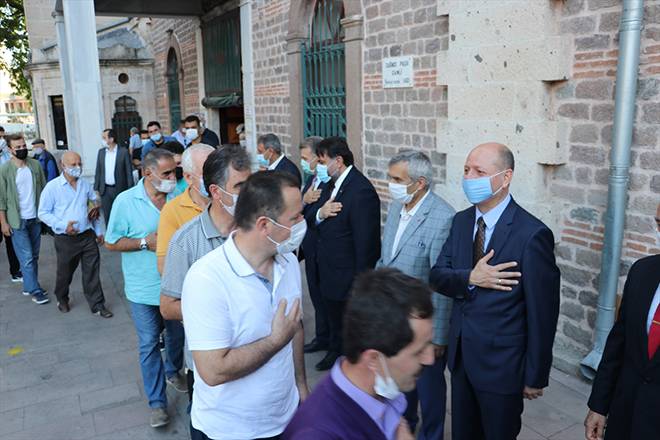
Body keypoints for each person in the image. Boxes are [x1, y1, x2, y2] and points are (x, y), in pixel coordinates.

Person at [429, 142, 560, 440]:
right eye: (466, 170)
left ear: (506, 177)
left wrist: (535, 374)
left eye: (479, 171)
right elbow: (437, 276)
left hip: (503, 367)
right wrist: (471, 278)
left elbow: (543, 312)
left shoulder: (532, 234)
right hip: (462, 358)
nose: (469, 177)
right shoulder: (461, 222)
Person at [181, 171, 309, 440]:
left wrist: (300, 386)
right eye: (294, 217)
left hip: (284, 419)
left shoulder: (288, 264)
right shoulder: (207, 278)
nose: (302, 223)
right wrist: (275, 340)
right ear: (265, 225)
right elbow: (213, 370)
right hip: (230, 430)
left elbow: (294, 328)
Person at [283, 268, 435, 440]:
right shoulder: (318, 434)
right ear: (374, 359)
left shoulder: (382, 390)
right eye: (418, 351)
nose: (430, 359)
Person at [160, 145, 252, 402]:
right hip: (208, 367)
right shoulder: (185, 241)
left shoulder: (257, 230)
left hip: (256, 357)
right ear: (216, 191)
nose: (249, 194)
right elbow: (167, 307)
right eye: (240, 187)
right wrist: (220, 308)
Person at [377, 150, 454, 440]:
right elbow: (387, 258)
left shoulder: (443, 217)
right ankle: (405, 424)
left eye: (397, 179)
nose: (391, 184)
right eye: (390, 176)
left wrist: (438, 337)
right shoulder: (398, 207)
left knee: (430, 388)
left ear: (420, 182)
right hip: (393, 318)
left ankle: (431, 435)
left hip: (423, 324)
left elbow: (442, 283)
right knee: (400, 380)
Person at [104, 148, 183, 428]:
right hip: (142, 289)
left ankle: (174, 370)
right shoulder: (126, 202)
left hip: (176, 286)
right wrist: (143, 243)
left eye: (174, 171)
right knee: (149, 343)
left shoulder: (180, 195)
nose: (173, 177)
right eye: (167, 173)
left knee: (176, 337)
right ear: (147, 173)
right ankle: (157, 403)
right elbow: (111, 242)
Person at [584, 204, 660, 440]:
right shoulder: (642, 272)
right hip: (625, 417)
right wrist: (599, 405)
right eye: (659, 223)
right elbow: (619, 343)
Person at [305, 136, 381, 371]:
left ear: (338, 160)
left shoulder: (360, 191)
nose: (318, 166)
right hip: (325, 267)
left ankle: (344, 359)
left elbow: (366, 243)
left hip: (345, 274)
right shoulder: (330, 184)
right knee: (332, 317)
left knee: (347, 324)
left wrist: (361, 282)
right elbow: (310, 216)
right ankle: (333, 348)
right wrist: (320, 214)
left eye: (322, 160)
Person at [37, 151, 112, 317]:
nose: (78, 167)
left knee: (92, 271)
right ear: (62, 166)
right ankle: (62, 297)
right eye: (73, 165)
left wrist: (99, 230)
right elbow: (42, 213)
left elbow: (95, 207)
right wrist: (63, 226)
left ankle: (97, 305)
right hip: (65, 239)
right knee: (65, 273)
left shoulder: (85, 184)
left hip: (87, 236)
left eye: (80, 164)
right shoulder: (53, 187)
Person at [0, 133, 48, 305]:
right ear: (10, 149)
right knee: (26, 256)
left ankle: (29, 286)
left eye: (23, 146)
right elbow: (1, 199)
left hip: (34, 218)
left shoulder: (34, 165)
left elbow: (44, 190)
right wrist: (3, 222)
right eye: (17, 147)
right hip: (16, 220)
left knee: (33, 256)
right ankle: (35, 290)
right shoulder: (5, 170)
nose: (21, 149)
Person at [156, 143, 214, 272]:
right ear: (188, 177)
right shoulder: (172, 210)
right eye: (207, 173)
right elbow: (164, 266)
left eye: (219, 171)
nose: (216, 178)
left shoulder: (229, 202)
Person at [298, 136, 331, 354]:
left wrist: (309, 205)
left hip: (322, 251)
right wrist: (304, 201)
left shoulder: (328, 185)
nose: (303, 163)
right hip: (309, 249)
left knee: (326, 298)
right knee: (315, 296)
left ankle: (331, 343)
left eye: (306, 158)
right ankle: (321, 337)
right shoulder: (311, 182)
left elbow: (313, 217)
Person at [94, 128, 134, 225]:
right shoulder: (101, 152)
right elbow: (98, 171)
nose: (102, 140)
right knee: (108, 216)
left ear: (111, 139)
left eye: (104, 138)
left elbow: (129, 172)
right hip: (105, 190)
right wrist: (96, 188)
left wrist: (130, 190)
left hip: (119, 189)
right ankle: (110, 238)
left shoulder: (123, 152)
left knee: (121, 215)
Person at [0, 129, 22, 283]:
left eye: (2, 137)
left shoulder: (9, 156)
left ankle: (16, 271)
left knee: (10, 239)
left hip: (8, 203)